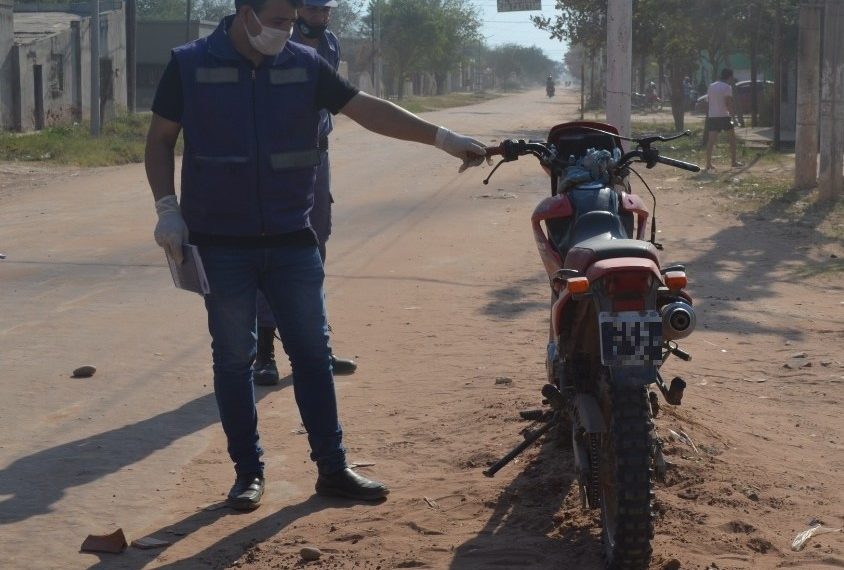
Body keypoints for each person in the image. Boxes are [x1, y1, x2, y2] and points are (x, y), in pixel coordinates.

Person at [145, 0, 486, 510]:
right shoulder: (189, 63)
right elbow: (159, 141)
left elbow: (365, 108)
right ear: (245, 11)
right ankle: (248, 473)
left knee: (311, 355)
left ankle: (332, 468)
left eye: (291, 21)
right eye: (278, 20)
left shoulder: (304, 64)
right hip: (221, 244)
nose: (286, 31)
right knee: (234, 361)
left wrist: (441, 137)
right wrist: (167, 207)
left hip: (291, 238)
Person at [252, 0, 355, 386]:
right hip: (278, 163)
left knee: (315, 252)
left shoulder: (329, 43)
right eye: (313, 10)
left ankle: (317, 349)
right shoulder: (276, 39)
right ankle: (264, 353)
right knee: (271, 254)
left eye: (325, 11)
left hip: (317, 159)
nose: (320, 16)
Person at [704, 68, 741, 171]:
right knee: (732, 139)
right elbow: (728, 103)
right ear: (730, 77)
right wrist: (734, 117)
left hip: (713, 116)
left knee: (711, 141)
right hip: (724, 116)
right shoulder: (727, 87)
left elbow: (708, 102)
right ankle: (733, 161)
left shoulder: (711, 86)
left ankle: (708, 164)